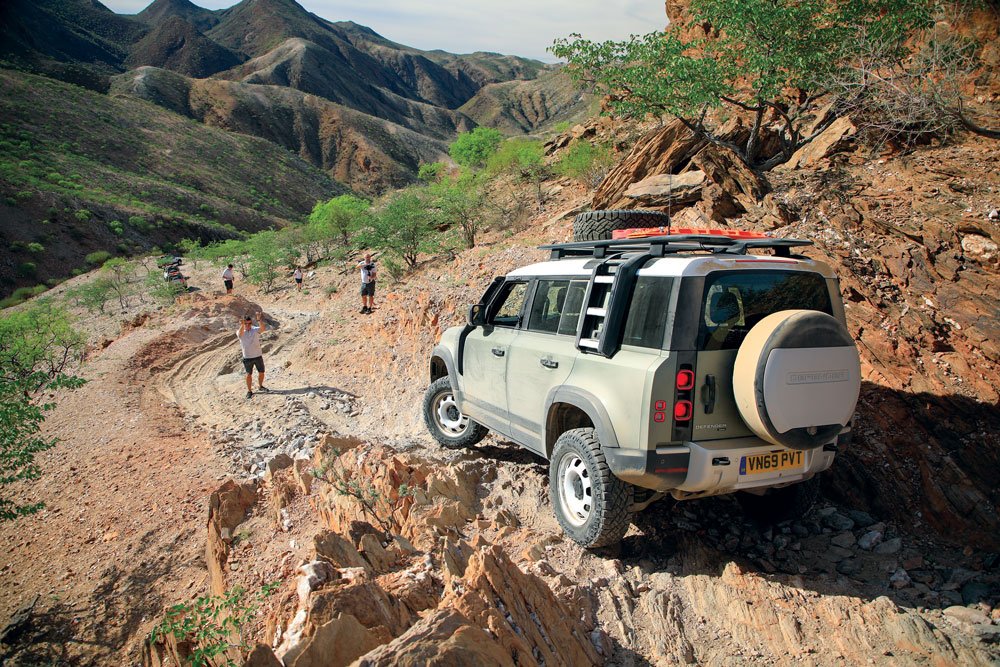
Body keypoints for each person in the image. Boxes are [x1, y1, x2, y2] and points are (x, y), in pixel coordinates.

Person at [237, 312, 267, 399]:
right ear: (243, 323)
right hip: (247, 357)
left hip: (258, 355)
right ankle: (249, 391)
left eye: (249, 323)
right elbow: (240, 334)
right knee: (248, 374)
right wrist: (242, 325)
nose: (248, 325)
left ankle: (260, 386)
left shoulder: (254, 329)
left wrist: (259, 319)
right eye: (246, 323)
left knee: (261, 372)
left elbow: (262, 329)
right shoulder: (240, 331)